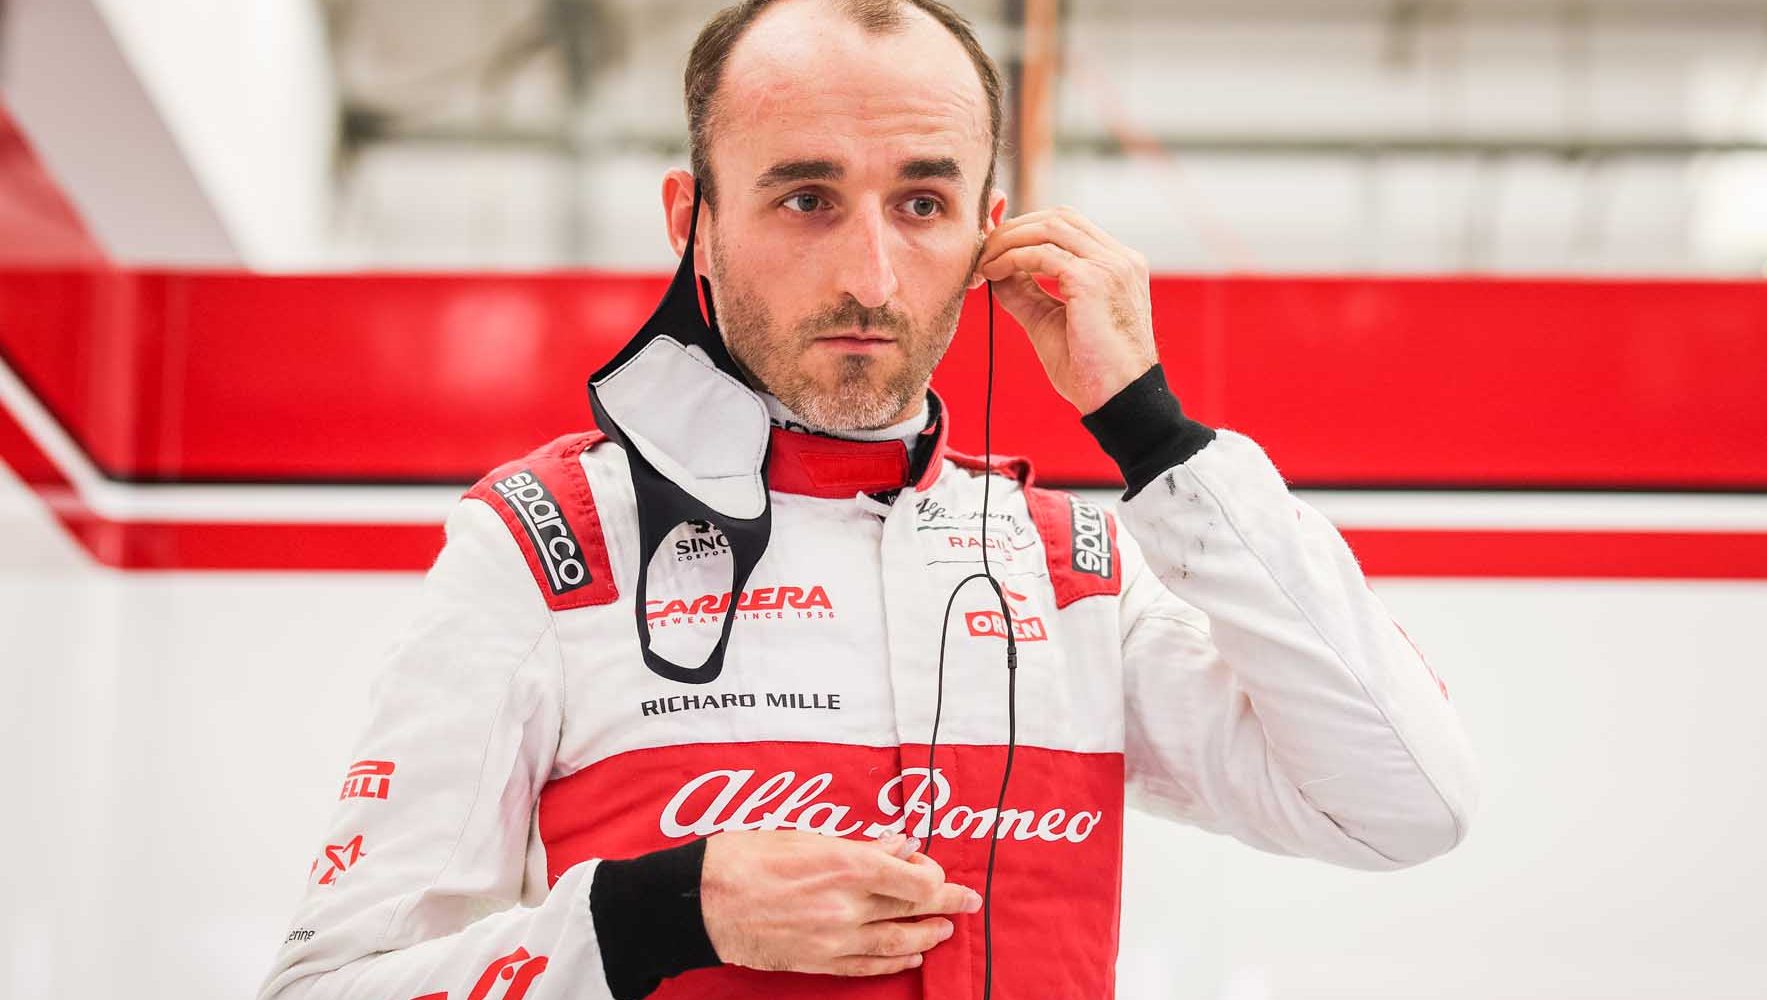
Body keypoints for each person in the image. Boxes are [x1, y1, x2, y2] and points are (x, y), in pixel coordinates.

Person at [256, 1, 1480, 998]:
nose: (871, 275)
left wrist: (1152, 432)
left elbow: (1408, 806)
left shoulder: (1078, 568)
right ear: (696, 222)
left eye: (923, 203)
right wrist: (655, 916)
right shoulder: (546, 541)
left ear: (994, 235)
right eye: (806, 197)